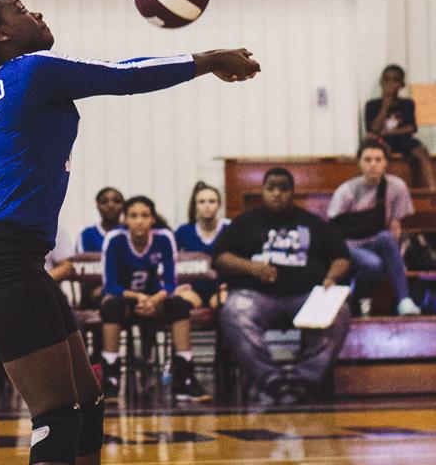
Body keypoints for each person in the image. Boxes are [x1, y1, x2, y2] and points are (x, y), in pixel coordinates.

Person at [0, 0, 259, 465]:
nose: (37, 11)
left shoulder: (11, 80)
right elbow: (122, 77)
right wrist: (206, 58)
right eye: (22, 8)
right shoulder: (29, 70)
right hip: (3, 259)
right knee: (58, 413)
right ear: (1, 33)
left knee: (87, 401)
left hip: (12, 257)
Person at [213, 167, 351, 406]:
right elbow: (220, 258)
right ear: (262, 191)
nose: (277, 194)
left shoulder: (312, 223)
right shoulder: (245, 222)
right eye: (271, 188)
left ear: (293, 193)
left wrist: (331, 277)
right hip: (257, 296)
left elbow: (342, 257)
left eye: (283, 189)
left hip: (306, 297)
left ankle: (303, 381)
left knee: (340, 312)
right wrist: (251, 267)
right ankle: (271, 379)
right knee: (233, 310)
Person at [99, 195, 209, 402]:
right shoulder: (114, 239)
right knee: (110, 305)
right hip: (126, 300)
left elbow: (170, 283)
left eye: (144, 215)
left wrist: (154, 300)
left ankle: (185, 378)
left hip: (155, 299)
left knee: (179, 304)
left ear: (152, 219)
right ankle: (111, 379)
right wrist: (139, 297)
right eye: (133, 216)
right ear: (126, 220)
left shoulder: (164, 238)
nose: (139, 220)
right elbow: (110, 285)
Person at [328, 137, 420, 316]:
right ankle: (358, 298)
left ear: (386, 163)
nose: (373, 165)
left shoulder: (396, 186)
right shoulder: (346, 191)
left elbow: (395, 225)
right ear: (359, 163)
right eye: (368, 160)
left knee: (385, 237)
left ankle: (404, 300)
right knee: (373, 264)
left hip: (377, 242)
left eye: (378, 160)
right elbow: (332, 231)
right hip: (349, 245)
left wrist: (396, 257)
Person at [364, 64, 435, 192]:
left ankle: (431, 188)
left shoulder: (407, 103)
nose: (390, 83)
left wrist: (389, 132)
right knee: (377, 151)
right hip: (382, 141)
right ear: (382, 82)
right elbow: (373, 129)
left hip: (402, 139)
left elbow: (411, 127)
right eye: (387, 79)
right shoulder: (372, 104)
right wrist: (385, 106)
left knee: (421, 151)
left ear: (401, 84)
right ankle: (376, 190)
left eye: (395, 80)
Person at [173, 181, 230, 309]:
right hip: (191, 288)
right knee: (179, 304)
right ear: (195, 206)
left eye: (212, 201)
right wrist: (174, 287)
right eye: (202, 202)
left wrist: (232, 285)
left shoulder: (230, 229)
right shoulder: (183, 231)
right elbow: (167, 262)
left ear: (219, 205)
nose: (207, 206)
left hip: (220, 288)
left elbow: (241, 260)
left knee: (226, 306)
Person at [76, 187, 125, 252]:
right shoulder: (87, 234)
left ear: (124, 205)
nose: (110, 205)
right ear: (97, 206)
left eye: (116, 201)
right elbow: (81, 259)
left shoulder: (129, 232)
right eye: (104, 202)